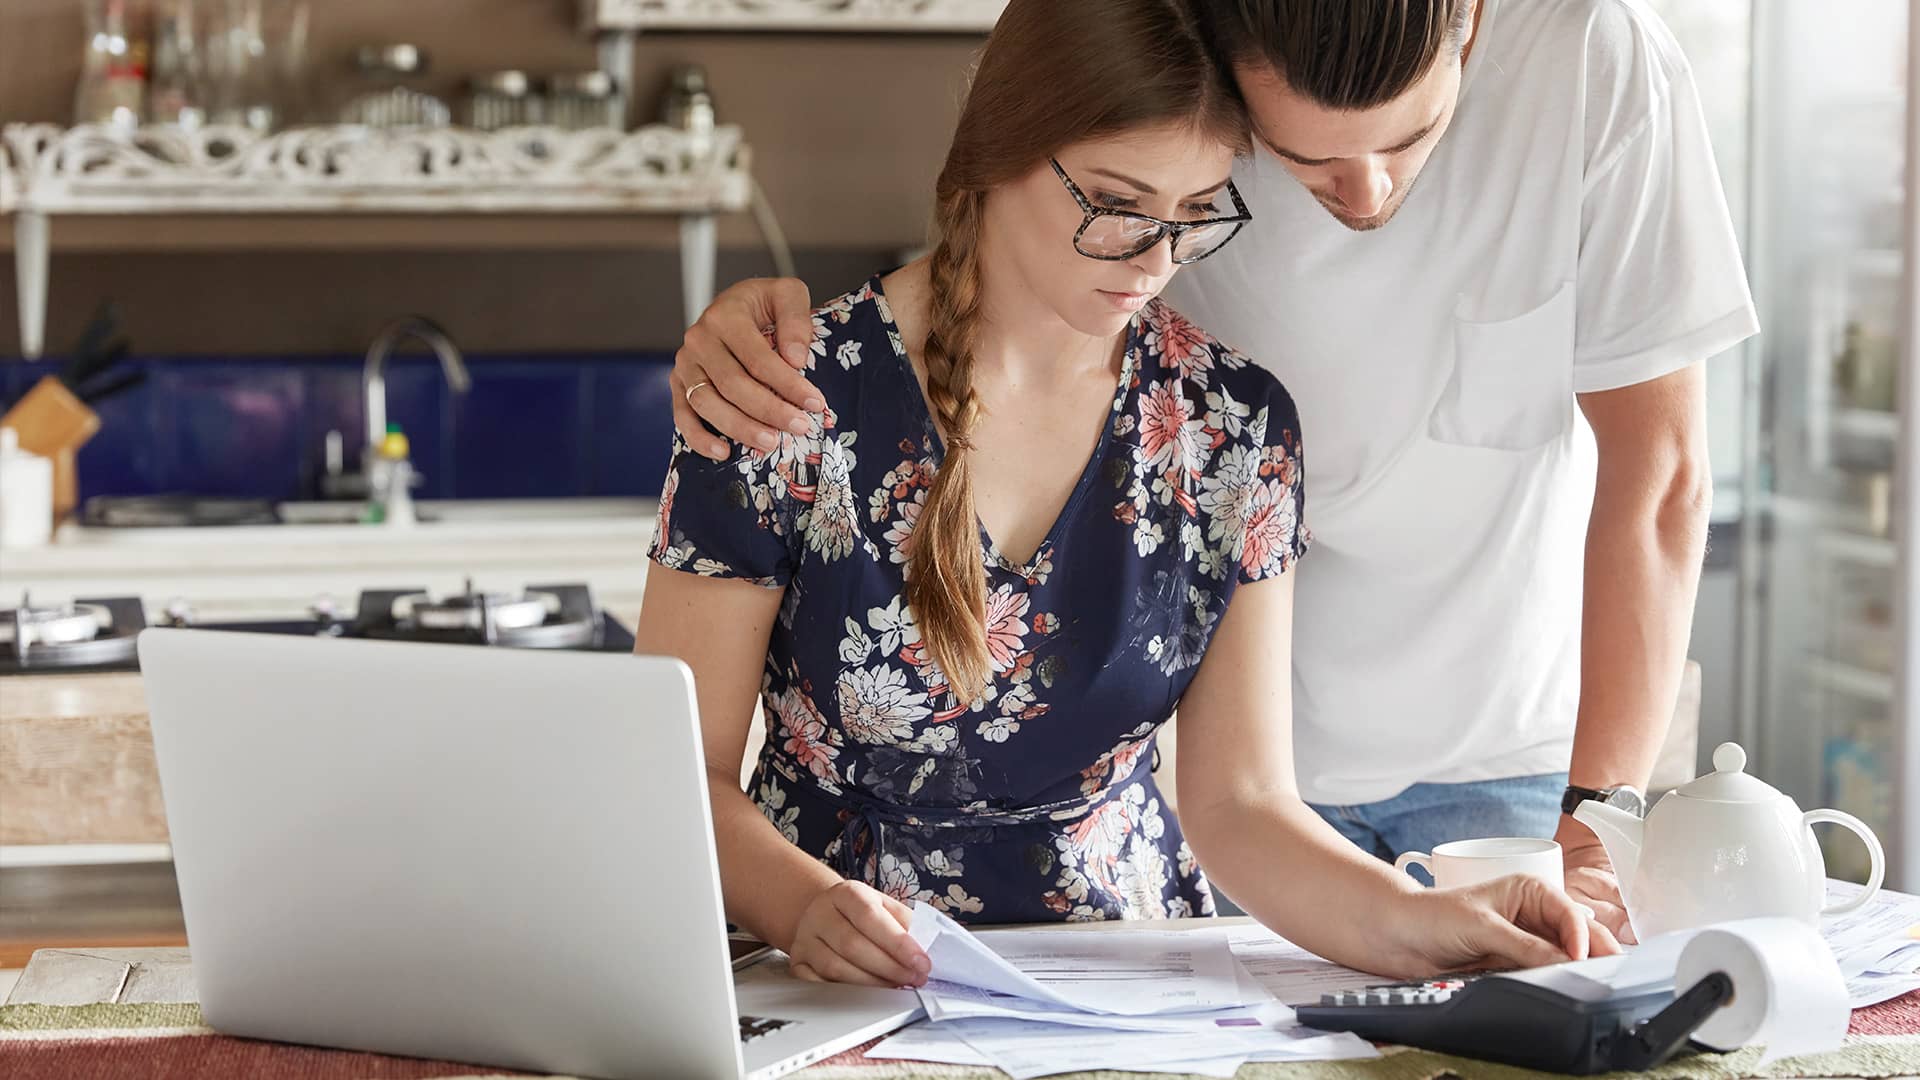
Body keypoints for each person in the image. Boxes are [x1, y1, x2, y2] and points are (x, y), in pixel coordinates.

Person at [667, 0, 1757, 943]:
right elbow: (666, 778)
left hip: (1475, 755)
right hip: (905, 943)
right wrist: (801, 911)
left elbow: (1661, 476)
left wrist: (1568, 842)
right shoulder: (792, 395)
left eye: (1193, 218)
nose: (1154, 261)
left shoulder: (1230, 424)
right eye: (1118, 205)